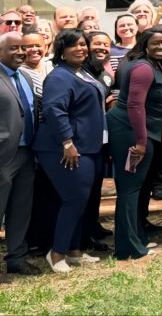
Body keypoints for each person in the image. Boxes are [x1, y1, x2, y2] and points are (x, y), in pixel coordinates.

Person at [35, 30, 106, 272]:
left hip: (88, 145)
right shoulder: (59, 77)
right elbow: (54, 110)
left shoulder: (81, 71)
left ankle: (75, 250)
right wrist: (67, 142)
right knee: (74, 198)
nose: (80, 49)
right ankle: (56, 253)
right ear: (61, 51)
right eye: (73, 45)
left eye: (83, 44)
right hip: (63, 148)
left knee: (82, 199)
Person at [106, 26, 162, 260]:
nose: (161, 47)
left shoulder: (152, 64)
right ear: (144, 45)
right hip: (131, 133)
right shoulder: (143, 68)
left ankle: (136, 238)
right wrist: (141, 142)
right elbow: (135, 105)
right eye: (155, 43)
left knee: (135, 188)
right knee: (129, 188)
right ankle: (129, 248)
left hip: (141, 130)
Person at [0, 32, 39, 277]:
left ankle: (17, 259)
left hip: (27, 153)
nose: (20, 52)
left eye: (22, 48)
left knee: (20, 209)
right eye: (13, 48)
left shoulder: (24, 76)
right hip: (3, 155)